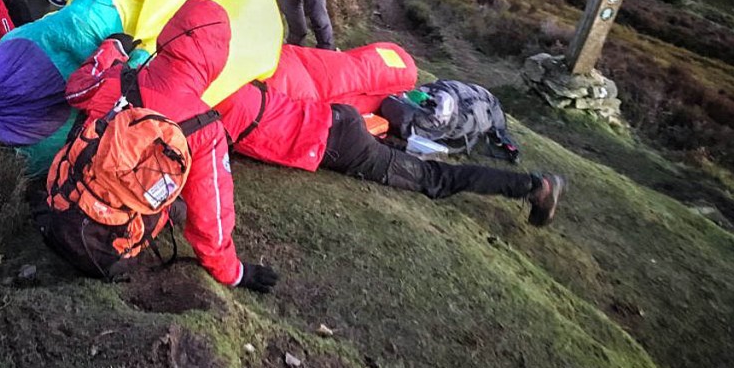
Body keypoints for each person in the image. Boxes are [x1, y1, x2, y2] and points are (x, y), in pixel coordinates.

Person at [56, 0, 279, 292]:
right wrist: (234, 273)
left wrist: (111, 50)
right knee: (180, 206)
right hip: (107, 252)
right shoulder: (206, 130)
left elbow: (76, 91)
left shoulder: (117, 80)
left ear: (170, 31)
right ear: (218, 57)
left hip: (58, 212)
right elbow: (210, 218)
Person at [216, 83, 565, 226]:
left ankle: (534, 186)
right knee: (405, 157)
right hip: (336, 117)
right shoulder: (229, 79)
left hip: (339, 146)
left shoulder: (212, 117)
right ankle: (529, 185)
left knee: (434, 180)